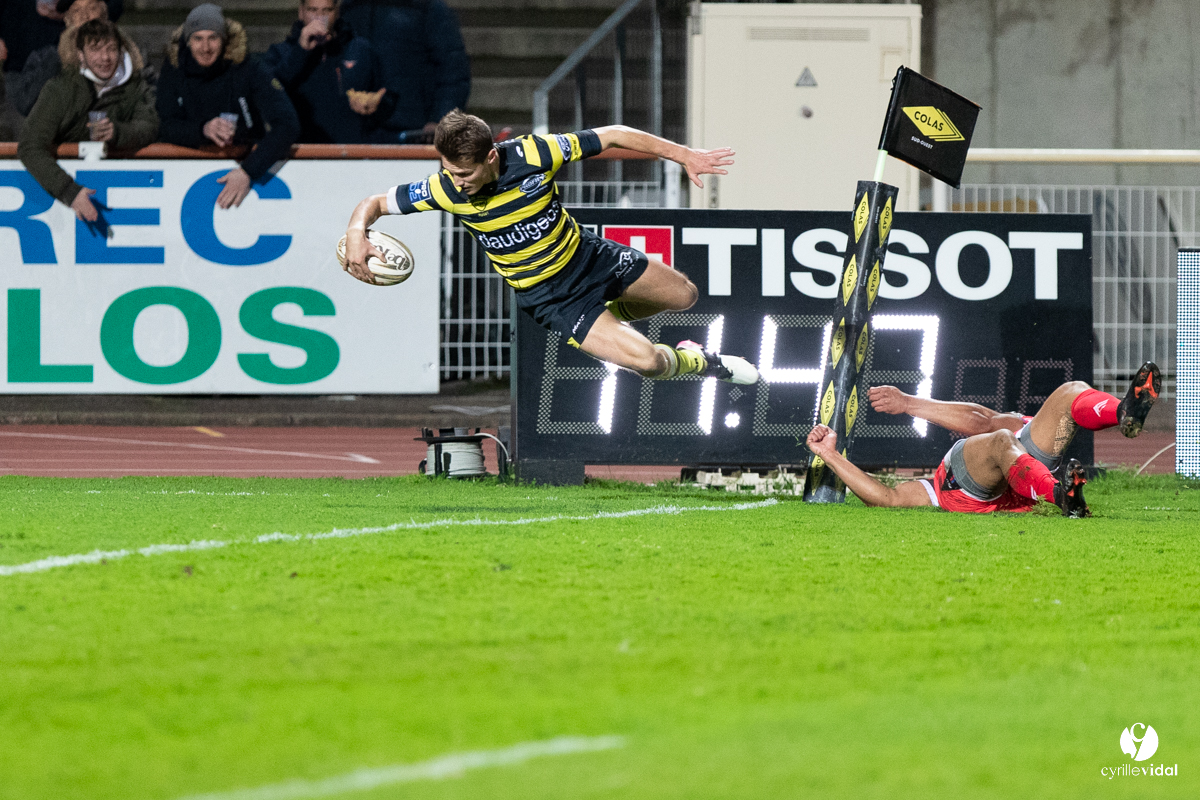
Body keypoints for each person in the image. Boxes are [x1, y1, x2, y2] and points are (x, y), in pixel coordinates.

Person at [343, 111, 758, 385]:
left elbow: (613, 135)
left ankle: (609, 318)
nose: (456, 181)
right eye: (448, 171)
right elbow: (376, 203)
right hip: (553, 298)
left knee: (684, 295)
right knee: (649, 363)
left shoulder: (535, 153)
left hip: (590, 258)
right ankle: (702, 362)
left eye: (464, 172)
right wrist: (357, 232)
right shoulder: (443, 189)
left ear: (490, 156)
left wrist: (683, 154)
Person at [804, 362, 1162, 517]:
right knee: (1002, 438)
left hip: (1024, 470)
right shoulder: (932, 490)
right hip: (969, 487)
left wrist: (908, 402)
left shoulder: (1016, 427)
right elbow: (887, 498)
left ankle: (1123, 414)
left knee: (1071, 391)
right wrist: (829, 454)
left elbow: (981, 419)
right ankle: (1061, 496)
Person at [155, 3, 300, 209]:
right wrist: (203, 129)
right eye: (198, 38)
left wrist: (248, 171)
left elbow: (287, 124)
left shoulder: (248, 68)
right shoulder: (174, 67)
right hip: (184, 171)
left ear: (224, 40)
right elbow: (164, 125)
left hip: (242, 169)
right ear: (187, 41)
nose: (205, 48)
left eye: (213, 38)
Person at [17, 18, 156, 222]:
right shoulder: (60, 90)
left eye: (111, 49)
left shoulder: (135, 87)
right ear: (80, 55)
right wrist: (69, 191)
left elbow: (149, 126)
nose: (105, 57)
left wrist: (117, 132)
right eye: (95, 50)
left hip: (122, 192)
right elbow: (30, 145)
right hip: (64, 197)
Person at [339, 0, 469, 143]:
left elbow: (453, 69)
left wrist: (441, 119)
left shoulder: (428, 7)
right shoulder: (350, 7)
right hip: (357, 129)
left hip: (413, 132)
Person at [262, 0, 383, 144]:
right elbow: (267, 92)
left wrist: (376, 104)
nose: (319, 17)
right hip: (300, 152)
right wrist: (300, 52)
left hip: (352, 153)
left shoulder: (360, 49)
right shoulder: (281, 52)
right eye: (313, 10)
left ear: (337, 12)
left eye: (327, 10)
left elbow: (387, 94)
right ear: (301, 12)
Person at [4, 0, 114, 123]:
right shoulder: (48, 58)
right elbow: (28, 106)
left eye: (92, 8)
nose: (84, 16)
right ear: (67, 19)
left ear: (104, 15)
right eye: (77, 11)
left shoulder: (123, 59)